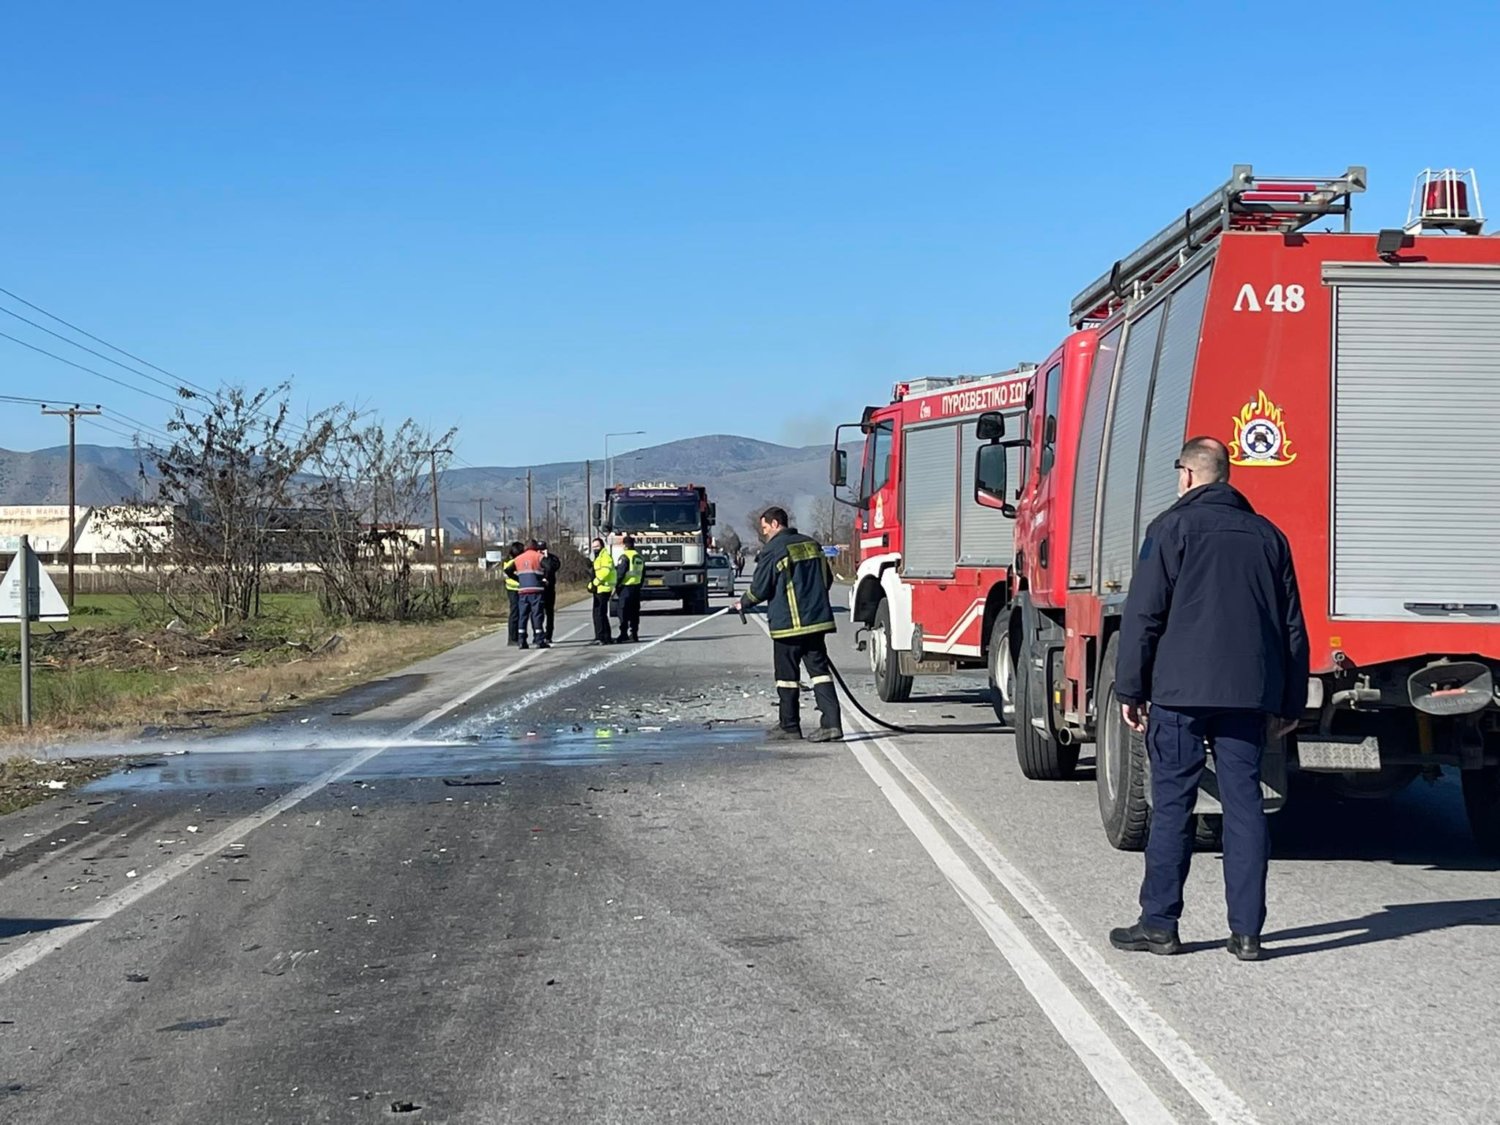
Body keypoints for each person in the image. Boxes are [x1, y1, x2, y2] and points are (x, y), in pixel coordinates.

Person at [1109, 437, 1308, 963]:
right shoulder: (1270, 537)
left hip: (1179, 694)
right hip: (1248, 696)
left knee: (1173, 804)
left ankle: (1160, 925)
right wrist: (1290, 701)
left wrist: (1130, 687)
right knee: (1245, 806)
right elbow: (1292, 627)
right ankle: (1247, 934)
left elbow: (1143, 615)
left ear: (1189, 475)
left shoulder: (1171, 529)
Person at [736, 507, 842, 742]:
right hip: (816, 623)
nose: (764, 534)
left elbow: (761, 588)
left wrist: (743, 603)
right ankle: (832, 724)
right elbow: (827, 579)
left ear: (775, 524)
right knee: (819, 673)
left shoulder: (774, 550)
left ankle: (790, 725)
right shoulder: (812, 544)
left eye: (764, 528)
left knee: (786, 676)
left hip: (788, 625)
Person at [510, 539, 550, 650]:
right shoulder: (538, 556)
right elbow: (549, 566)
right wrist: (544, 578)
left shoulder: (518, 558)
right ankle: (539, 640)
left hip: (523, 591)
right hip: (536, 590)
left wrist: (519, 579)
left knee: (523, 616)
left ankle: (522, 641)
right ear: (535, 547)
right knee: (537, 615)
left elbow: (508, 570)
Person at [615, 535, 645, 643]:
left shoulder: (624, 557)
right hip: (636, 588)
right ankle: (634, 634)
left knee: (623, 611)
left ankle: (623, 634)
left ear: (624, 545)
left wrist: (616, 585)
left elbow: (620, 573)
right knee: (634, 612)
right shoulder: (639, 557)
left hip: (625, 588)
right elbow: (642, 574)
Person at [588, 536, 616, 646]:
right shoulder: (598, 557)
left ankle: (601, 637)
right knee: (599, 613)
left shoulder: (605, 556)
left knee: (599, 613)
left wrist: (595, 582)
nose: (595, 548)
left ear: (602, 546)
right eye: (593, 547)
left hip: (603, 588)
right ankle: (604, 636)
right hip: (599, 588)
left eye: (597, 546)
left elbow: (605, 571)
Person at [501, 541, 523, 646]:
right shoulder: (513, 562)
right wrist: (520, 580)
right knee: (515, 613)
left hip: (513, 588)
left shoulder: (507, 560)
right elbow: (509, 573)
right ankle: (512, 638)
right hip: (514, 589)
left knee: (518, 613)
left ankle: (518, 636)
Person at [539, 540, 561, 642]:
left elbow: (554, 567)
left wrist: (547, 558)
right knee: (538, 613)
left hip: (549, 589)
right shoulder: (535, 558)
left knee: (549, 613)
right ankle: (539, 633)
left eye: (543, 549)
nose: (541, 551)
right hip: (538, 589)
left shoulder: (552, 558)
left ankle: (548, 635)